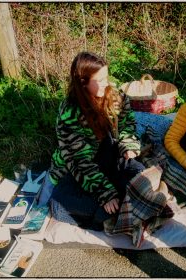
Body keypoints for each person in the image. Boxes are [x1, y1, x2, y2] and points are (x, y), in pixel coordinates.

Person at [38, 52, 145, 230]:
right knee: (62, 203)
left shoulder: (115, 97)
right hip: (77, 170)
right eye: (100, 80)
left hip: (109, 158)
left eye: (106, 77)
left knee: (138, 172)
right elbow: (78, 161)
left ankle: (124, 211)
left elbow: (128, 123)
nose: (107, 83)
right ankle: (117, 215)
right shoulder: (69, 112)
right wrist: (106, 193)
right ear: (83, 82)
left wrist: (128, 145)